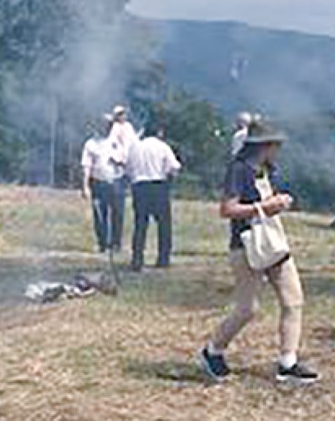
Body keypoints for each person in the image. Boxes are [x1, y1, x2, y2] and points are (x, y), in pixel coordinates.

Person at [198, 119, 318, 385]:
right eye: (276, 144)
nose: (279, 149)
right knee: (247, 309)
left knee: (293, 300)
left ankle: (288, 362)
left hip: (273, 241)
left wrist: (277, 203)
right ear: (265, 146)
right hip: (247, 244)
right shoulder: (238, 170)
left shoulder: (268, 171)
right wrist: (264, 207)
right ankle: (212, 350)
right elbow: (227, 210)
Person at [127, 129, 182, 271]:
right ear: (159, 132)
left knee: (140, 225)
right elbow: (174, 167)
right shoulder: (162, 146)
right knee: (164, 225)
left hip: (139, 186)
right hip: (158, 185)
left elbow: (129, 168)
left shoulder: (135, 147)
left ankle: (137, 259)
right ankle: (163, 259)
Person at [81, 116, 127, 253]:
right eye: (106, 125)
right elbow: (86, 166)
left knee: (118, 214)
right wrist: (85, 186)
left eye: (110, 125)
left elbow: (126, 160)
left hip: (117, 181)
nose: (108, 127)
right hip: (98, 182)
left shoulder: (118, 142)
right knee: (100, 215)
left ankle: (116, 244)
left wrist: (118, 161)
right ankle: (102, 243)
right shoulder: (91, 144)